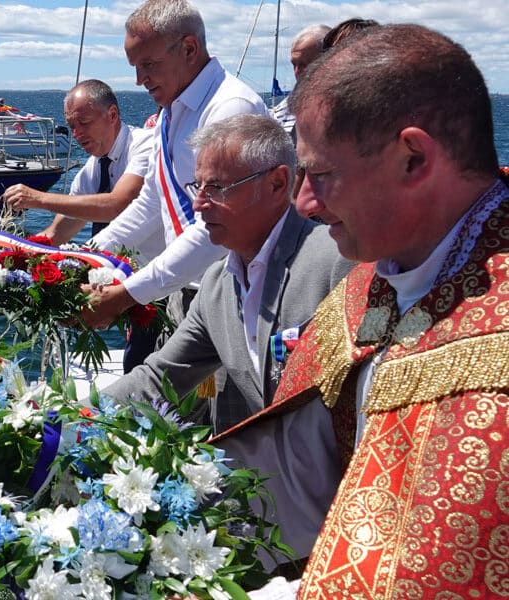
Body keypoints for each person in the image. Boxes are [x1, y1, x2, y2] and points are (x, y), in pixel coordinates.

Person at [218, 24, 509, 598]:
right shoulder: (361, 291)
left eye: (321, 175)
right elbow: (299, 476)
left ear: (413, 157)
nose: (303, 202)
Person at [103, 115, 352, 569]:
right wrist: (67, 419)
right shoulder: (218, 285)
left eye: (216, 188)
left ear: (279, 184)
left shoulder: (336, 262)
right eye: (196, 186)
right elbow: (160, 378)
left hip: (349, 528)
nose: (199, 205)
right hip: (284, 533)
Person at [81, 0, 267, 372]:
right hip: (189, 293)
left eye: (148, 65)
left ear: (188, 49)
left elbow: (214, 228)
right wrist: (87, 254)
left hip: (236, 300)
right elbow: (152, 201)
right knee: (178, 419)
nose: (139, 80)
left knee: (226, 424)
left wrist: (126, 295)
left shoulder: (231, 109)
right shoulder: (173, 113)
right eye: (136, 67)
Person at [2, 79, 153, 246]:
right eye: (72, 126)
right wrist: (9, 253)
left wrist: (37, 198)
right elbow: (55, 234)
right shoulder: (93, 168)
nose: (76, 134)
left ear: (112, 115)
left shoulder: (145, 145)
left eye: (84, 123)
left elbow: (117, 206)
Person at [270, 24, 329, 140]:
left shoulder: (351, 112)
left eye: (304, 64)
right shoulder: (282, 113)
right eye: (294, 65)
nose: (297, 72)